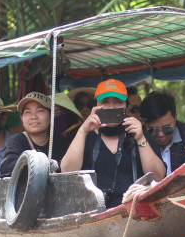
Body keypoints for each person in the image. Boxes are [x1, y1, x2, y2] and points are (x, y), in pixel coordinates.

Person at [60, 78, 166, 208]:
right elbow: (67, 172)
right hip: (92, 214)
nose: (111, 107)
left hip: (134, 213)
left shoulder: (140, 136)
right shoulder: (84, 136)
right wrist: (83, 130)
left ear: (126, 107)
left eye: (117, 102)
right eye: (105, 102)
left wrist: (140, 139)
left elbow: (158, 177)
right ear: (96, 107)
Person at [0, 92, 72, 177]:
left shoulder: (60, 141)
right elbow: (7, 168)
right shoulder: (17, 141)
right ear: (22, 118)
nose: (33, 117)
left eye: (40, 111)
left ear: (51, 116)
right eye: (28, 112)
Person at [139, 90, 185, 174]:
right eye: (154, 130)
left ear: (175, 117)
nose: (161, 134)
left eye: (167, 128)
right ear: (143, 123)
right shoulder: (137, 142)